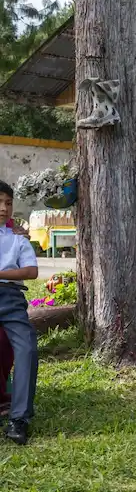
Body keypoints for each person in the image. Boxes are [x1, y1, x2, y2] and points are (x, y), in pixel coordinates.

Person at [0, 180, 39, 445]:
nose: (4, 208)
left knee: (27, 348)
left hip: (10, 298)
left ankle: (19, 419)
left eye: (8, 203)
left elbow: (31, 271)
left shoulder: (17, 240)